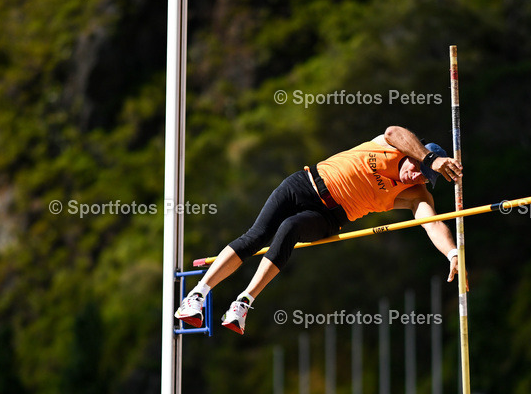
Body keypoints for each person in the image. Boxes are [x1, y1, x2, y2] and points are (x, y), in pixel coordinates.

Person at [174, 126, 464, 334]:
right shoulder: (393, 144)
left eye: (424, 178)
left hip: (328, 216)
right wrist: (431, 160)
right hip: (304, 184)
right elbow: (393, 131)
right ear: (417, 154)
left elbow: (432, 222)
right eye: (418, 168)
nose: (415, 177)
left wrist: (452, 253)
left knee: (290, 229)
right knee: (256, 236)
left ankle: (243, 303)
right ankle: (197, 295)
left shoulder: (416, 194)